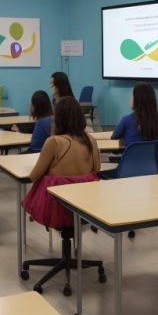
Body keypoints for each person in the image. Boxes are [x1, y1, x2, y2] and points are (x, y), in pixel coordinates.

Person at [22, 96, 101, 226]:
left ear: (58, 118)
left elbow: (34, 176)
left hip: (58, 206)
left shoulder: (54, 142)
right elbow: (96, 169)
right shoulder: (91, 140)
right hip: (86, 203)